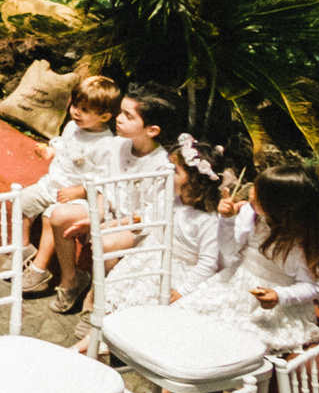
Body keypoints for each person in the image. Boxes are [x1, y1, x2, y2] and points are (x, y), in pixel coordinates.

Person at [45, 87, 180, 314]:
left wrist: (101, 225)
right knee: (59, 216)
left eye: (128, 116)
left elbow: (148, 218)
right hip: (109, 212)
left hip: (137, 225)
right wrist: (94, 216)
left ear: (152, 130)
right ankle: (71, 280)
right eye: (121, 112)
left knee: (104, 241)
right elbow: (104, 191)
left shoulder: (161, 166)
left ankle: (97, 299)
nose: (118, 119)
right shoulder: (117, 146)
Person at [178, 160, 319, 350]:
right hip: (237, 283)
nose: (251, 193)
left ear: (281, 207)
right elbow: (229, 250)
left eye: (260, 194)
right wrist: (227, 222)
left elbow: (312, 286)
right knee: (191, 312)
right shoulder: (250, 215)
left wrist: (280, 295)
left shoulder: (299, 241)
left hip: (273, 302)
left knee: (243, 340)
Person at [90, 132, 236, 321]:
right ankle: (103, 330)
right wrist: (137, 227)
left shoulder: (207, 221)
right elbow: (152, 222)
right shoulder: (169, 198)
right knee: (120, 297)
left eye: (174, 170)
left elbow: (208, 262)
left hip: (173, 270)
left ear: (195, 180)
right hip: (146, 258)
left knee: (142, 310)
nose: (166, 172)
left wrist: (183, 291)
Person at [17, 74, 125, 295]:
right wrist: (50, 151)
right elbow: (64, 148)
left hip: (74, 195)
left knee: (51, 215)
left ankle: (40, 269)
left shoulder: (105, 145)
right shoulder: (71, 128)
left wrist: (81, 190)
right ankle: (22, 250)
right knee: (22, 200)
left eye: (85, 110)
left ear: (104, 116)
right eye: (75, 105)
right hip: (52, 184)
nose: (76, 112)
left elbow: (104, 178)